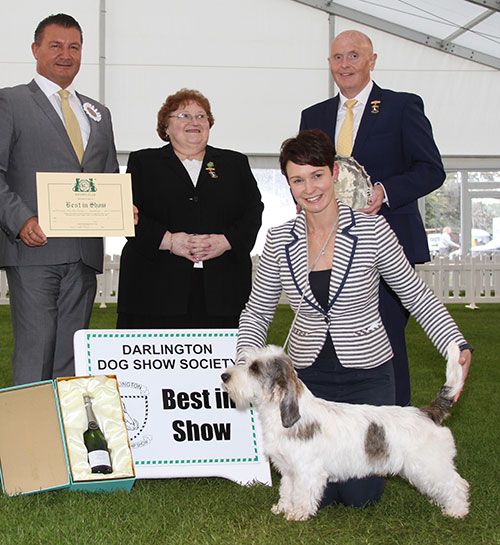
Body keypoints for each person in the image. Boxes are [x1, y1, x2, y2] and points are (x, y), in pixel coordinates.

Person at [237, 129, 472, 510]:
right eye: (298, 179)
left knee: (360, 496)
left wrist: (456, 344)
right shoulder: (280, 239)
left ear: (334, 173)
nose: (309, 187)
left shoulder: (372, 229)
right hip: (307, 375)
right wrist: (245, 362)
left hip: (367, 371)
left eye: (317, 175)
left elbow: (416, 294)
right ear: (289, 185)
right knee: (316, 484)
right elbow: (257, 310)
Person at [300, 30, 446, 406]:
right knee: (332, 344)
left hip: (386, 243)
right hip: (327, 250)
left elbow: (431, 170)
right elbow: (303, 175)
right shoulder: (313, 115)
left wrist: (385, 191)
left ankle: (394, 438)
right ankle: (338, 438)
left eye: (353, 56)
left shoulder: (402, 106)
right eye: (337, 57)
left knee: (386, 341)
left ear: (372, 60)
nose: (344, 65)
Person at [0, 14, 118, 385]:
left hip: (83, 254)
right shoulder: (10, 102)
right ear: (35, 50)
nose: (66, 54)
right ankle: (31, 440)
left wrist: (120, 208)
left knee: (72, 359)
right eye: (55, 45)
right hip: (34, 251)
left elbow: (108, 179)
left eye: (74, 47)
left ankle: (68, 438)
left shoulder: (99, 113)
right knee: (36, 353)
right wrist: (20, 220)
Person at [117, 89, 263, 329]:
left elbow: (253, 212)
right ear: (165, 126)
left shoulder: (234, 163)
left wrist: (226, 241)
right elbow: (127, 214)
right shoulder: (143, 163)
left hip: (222, 291)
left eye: (201, 116)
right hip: (154, 291)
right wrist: (169, 241)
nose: (194, 121)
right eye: (183, 115)